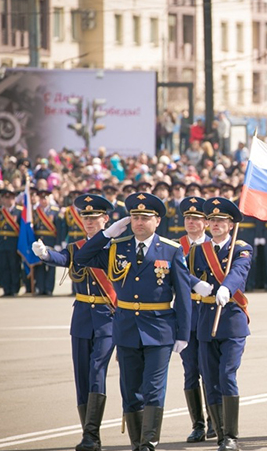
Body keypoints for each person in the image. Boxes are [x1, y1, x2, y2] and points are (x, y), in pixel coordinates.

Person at [74, 192, 191, 451]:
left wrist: (183, 333)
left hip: (160, 328)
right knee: (130, 390)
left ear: (157, 221)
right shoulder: (118, 246)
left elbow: (183, 295)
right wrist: (106, 235)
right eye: (135, 217)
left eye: (145, 218)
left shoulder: (171, 250)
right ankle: (137, 443)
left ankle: (148, 442)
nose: (139, 222)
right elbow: (81, 258)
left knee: (153, 387)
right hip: (126, 328)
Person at [32, 194, 117, 451]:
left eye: (94, 218)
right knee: (81, 375)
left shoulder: (116, 245)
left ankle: (92, 434)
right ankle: (89, 434)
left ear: (105, 219)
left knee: (96, 371)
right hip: (81, 316)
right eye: (85, 218)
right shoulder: (76, 246)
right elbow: (64, 259)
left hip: (106, 317)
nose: (89, 222)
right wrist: (46, 254)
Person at [192, 197, 253, 451]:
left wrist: (226, 288)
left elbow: (240, 270)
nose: (215, 224)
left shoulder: (241, 248)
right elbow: (182, 272)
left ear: (230, 224)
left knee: (227, 374)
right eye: (212, 220)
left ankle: (231, 436)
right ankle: (218, 434)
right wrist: (195, 282)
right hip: (206, 321)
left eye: (221, 221)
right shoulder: (198, 250)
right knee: (209, 379)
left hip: (231, 322)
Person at [175, 196, 215, 443]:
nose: (191, 222)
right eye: (188, 218)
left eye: (196, 218)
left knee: (211, 372)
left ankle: (215, 421)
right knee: (191, 372)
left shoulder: (217, 246)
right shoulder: (174, 246)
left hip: (209, 315)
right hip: (185, 317)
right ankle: (198, 424)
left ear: (206, 222)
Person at [0, 189, 21, 296]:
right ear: (2, 199)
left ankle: (14, 289)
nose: (8, 200)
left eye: (10, 198)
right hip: (2, 243)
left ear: (14, 199)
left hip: (14, 243)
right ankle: (6, 289)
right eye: (6, 198)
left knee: (14, 266)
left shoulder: (19, 212)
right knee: (4, 267)